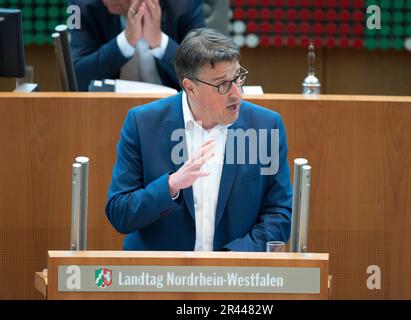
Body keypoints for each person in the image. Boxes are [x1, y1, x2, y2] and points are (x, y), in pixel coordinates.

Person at [106, 28, 292, 252]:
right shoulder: (143, 124)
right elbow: (120, 213)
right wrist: (171, 185)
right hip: (159, 276)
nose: (236, 93)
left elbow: (278, 214)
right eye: (222, 84)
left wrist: (229, 262)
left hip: (235, 277)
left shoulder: (265, 126)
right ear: (190, 87)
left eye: (237, 78)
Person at [68, 0, 204, 91]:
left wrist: (159, 42)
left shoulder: (184, 3)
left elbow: (201, 78)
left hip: (172, 115)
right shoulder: (80, 4)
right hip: (107, 112)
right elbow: (75, 79)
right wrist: (124, 43)